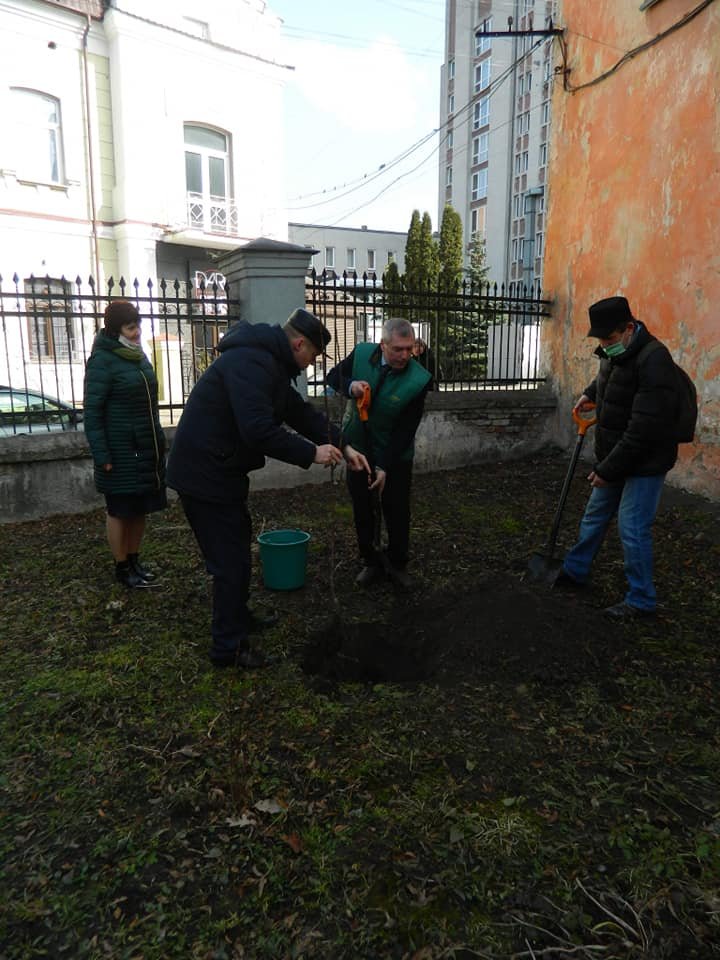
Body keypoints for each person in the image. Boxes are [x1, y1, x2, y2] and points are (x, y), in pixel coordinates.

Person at [166, 308, 369, 669]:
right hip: (204, 472)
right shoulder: (251, 362)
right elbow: (257, 429)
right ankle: (228, 648)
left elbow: (301, 414)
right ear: (298, 343)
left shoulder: (268, 364)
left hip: (221, 469)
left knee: (238, 550)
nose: (311, 365)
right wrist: (312, 453)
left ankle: (238, 618)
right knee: (229, 562)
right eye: (313, 356)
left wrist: (345, 445)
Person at [552, 296, 679, 618]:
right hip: (616, 452)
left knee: (632, 527)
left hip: (646, 459)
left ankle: (641, 600)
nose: (605, 346)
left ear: (628, 328)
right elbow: (610, 378)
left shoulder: (655, 360)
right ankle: (575, 571)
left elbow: (644, 430)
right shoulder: (616, 351)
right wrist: (590, 393)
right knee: (594, 515)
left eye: (609, 339)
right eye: (601, 340)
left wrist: (608, 470)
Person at [326, 316, 432, 590]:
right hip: (358, 450)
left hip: (395, 454)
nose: (404, 355)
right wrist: (351, 386)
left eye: (410, 349)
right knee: (363, 507)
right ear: (383, 344)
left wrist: (385, 465)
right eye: (398, 349)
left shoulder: (418, 380)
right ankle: (370, 560)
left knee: (396, 509)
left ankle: (397, 563)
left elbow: (405, 430)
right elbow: (333, 376)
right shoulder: (362, 353)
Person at [83, 300, 167, 588]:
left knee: (140, 508)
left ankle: (134, 560)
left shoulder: (137, 355)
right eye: (131, 327)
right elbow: (92, 413)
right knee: (120, 510)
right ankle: (121, 567)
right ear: (115, 329)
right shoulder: (102, 361)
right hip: (118, 453)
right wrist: (101, 454)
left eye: (138, 325)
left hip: (145, 448)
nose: (137, 332)